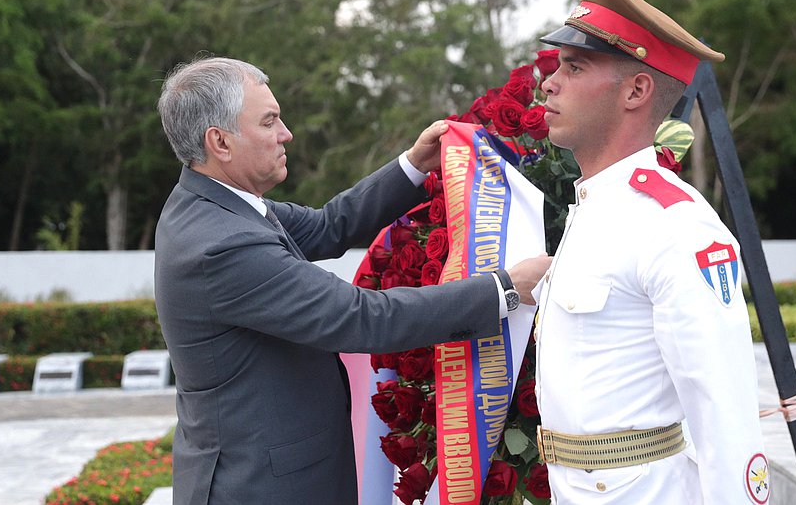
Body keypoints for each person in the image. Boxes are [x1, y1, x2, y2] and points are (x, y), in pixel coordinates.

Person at [153, 56, 551, 504]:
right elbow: (361, 318)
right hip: (261, 486)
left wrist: (414, 164)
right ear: (220, 142)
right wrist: (504, 288)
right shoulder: (222, 243)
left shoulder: (220, 204)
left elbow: (328, 226)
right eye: (270, 122)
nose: (286, 134)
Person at [532, 0, 769, 504]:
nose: (549, 83)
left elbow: (723, 411)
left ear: (636, 92)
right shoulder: (596, 207)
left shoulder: (675, 224)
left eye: (574, 67)